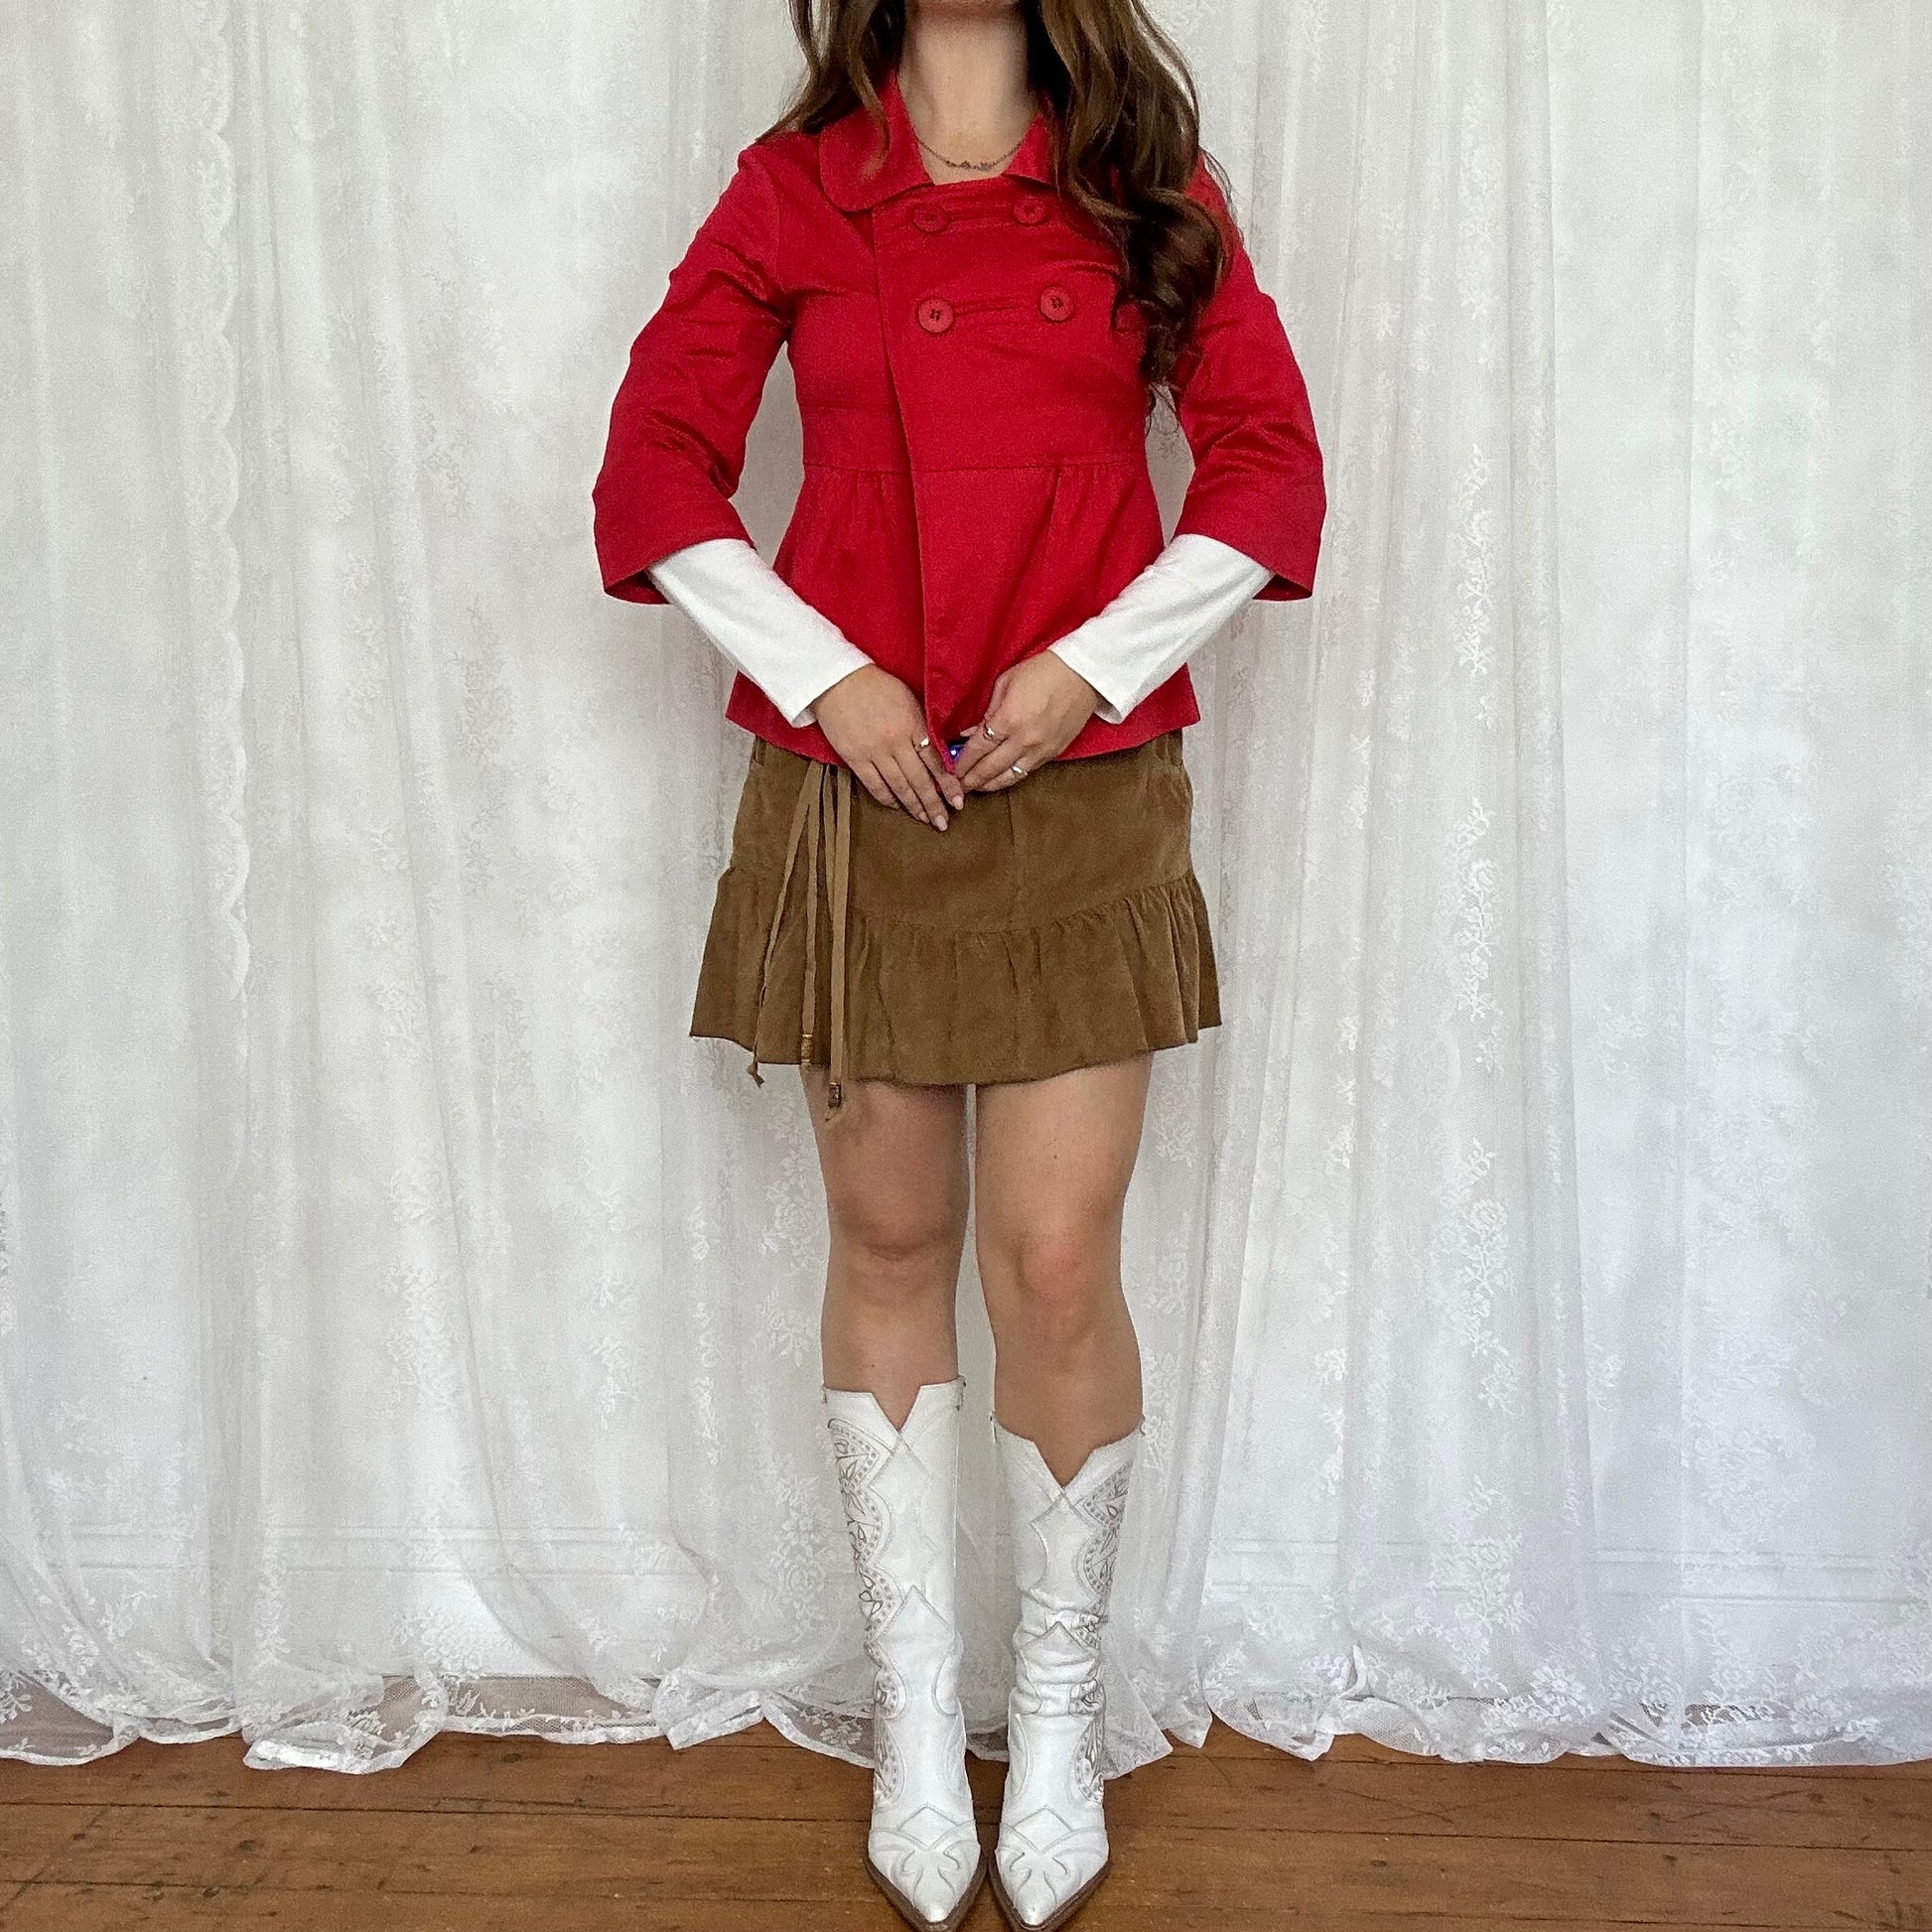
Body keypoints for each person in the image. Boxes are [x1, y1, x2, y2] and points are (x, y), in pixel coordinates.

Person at [592, 1, 1324, 1924]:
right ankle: (919, 1722)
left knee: (1056, 1255)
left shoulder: (1141, 178)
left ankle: (1057, 1717)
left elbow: (1266, 463)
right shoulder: (794, 190)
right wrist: (819, 670)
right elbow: (652, 466)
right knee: (892, 1239)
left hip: (1080, 781)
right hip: (863, 789)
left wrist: (1098, 657)